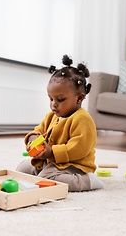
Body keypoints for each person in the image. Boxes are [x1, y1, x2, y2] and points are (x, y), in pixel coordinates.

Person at [17, 55, 104, 192]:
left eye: (60, 99)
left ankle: (88, 181)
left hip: (75, 165)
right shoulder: (52, 115)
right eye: (51, 99)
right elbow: (39, 130)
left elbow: (79, 148)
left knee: (46, 180)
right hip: (51, 162)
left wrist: (52, 152)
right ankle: (46, 172)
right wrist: (32, 140)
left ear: (79, 98)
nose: (53, 105)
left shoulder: (83, 119)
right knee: (21, 169)